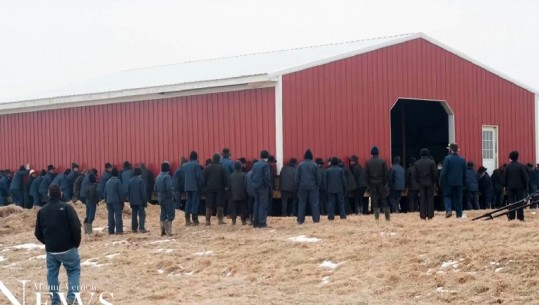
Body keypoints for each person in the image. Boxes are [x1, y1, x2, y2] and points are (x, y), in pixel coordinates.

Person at [34, 184, 81, 305]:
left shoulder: (42, 211)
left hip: (52, 250)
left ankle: (55, 301)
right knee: (74, 271)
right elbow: (76, 227)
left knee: (52, 275)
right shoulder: (67, 208)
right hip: (68, 248)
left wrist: (47, 242)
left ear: (48, 194)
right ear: (61, 193)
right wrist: (76, 243)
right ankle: (72, 298)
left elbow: (37, 232)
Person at [440, 143, 467, 218]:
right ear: (457, 150)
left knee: (447, 196)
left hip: (449, 182)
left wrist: (441, 181)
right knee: (458, 198)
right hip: (459, 182)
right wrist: (464, 183)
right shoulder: (462, 159)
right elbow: (465, 173)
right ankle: (459, 214)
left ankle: (448, 210)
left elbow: (443, 172)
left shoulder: (447, 158)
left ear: (450, 150)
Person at [295, 149, 321, 224]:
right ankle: (316, 220)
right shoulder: (315, 165)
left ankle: (300, 220)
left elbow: (297, 177)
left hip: (302, 187)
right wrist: (317, 186)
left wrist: (298, 186)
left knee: (302, 203)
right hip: (313, 187)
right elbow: (318, 177)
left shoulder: (300, 165)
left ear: (305, 157)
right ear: (311, 157)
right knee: (314, 203)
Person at [365, 146, 390, 221]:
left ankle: (377, 218)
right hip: (381, 183)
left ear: (371, 153)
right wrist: (385, 183)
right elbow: (386, 174)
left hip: (372, 183)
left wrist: (368, 184)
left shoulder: (368, 162)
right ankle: (387, 218)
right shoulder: (382, 161)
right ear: (378, 153)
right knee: (384, 199)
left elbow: (365, 174)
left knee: (375, 200)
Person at [203, 153, 229, 225]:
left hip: (209, 188)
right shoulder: (221, 167)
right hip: (219, 188)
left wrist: (205, 187)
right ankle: (220, 220)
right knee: (219, 204)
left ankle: (208, 220)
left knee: (209, 204)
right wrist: (226, 186)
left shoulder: (207, 168)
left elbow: (204, 179)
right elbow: (225, 178)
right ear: (219, 159)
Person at [413, 148, 437, 220]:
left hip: (421, 183)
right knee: (430, 199)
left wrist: (419, 182)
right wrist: (433, 181)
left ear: (421, 154)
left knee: (422, 199)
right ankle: (430, 216)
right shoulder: (432, 162)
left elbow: (415, 175)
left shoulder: (417, 163)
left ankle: (423, 215)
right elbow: (435, 174)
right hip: (430, 183)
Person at [504, 151, 528, 221]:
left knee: (511, 202)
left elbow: (505, 177)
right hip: (519, 187)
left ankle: (511, 217)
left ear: (510, 157)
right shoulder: (521, 166)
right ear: (517, 157)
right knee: (519, 202)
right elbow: (524, 177)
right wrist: (526, 186)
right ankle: (520, 217)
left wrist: (505, 186)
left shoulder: (508, 166)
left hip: (510, 187)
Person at [183, 151, 204, 226]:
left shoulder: (185, 165)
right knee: (195, 203)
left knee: (188, 202)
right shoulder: (196, 165)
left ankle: (187, 220)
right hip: (195, 187)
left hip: (187, 186)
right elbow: (199, 176)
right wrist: (202, 185)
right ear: (196, 157)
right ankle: (195, 220)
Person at [251, 151, 271, 228]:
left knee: (256, 204)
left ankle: (255, 222)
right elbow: (267, 177)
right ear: (267, 157)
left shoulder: (255, 164)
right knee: (263, 205)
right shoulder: (265, 165)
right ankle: (262, 223)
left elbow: (252, 175)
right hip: (263, 187)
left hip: (255, 186)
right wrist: (267, 185)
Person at [155, 162, 175, 235]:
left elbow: (155, 188)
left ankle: (162, 231)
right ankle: (168, 230)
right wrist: (172, 196)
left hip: (160, 197)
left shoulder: (158, 177)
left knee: (163, 213)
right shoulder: (167, 177)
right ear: (168, 169)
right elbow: (169, 188)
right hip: (167, 197)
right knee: (171, 213)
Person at [104, 168, 124, 235]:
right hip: (117, 201)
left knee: (110, 216)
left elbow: (105, 193)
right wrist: (122, 201)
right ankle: (119, 230)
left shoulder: (108, 182)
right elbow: (121, 192)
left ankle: (111, 230)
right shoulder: (118, 181)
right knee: (118, 215)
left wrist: (106, 201)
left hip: (109, 201)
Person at [128, 168, 149, 233]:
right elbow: (143, 192)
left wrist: (130, 200)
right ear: (140, 173)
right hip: (140, 201)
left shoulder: (130, 181)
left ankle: (134, 228)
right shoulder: (141, 181)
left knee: (134, 215)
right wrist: (145, 201)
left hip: (133, 201)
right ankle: (141, 228)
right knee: (141, 214)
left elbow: (129, 192)